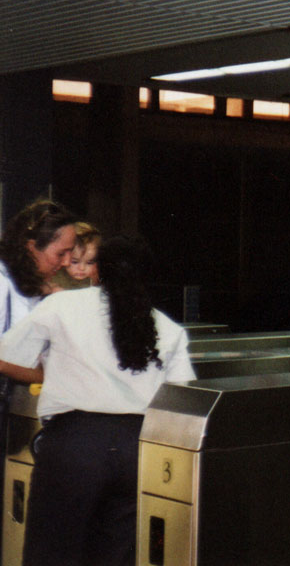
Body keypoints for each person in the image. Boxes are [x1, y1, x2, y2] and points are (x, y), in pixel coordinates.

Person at [0, 236, 196, 566]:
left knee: (51, 554)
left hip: (74, 447)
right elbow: (179, 396)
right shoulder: (169, 328)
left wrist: (50, 373)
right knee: (116, 556)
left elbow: (6, 354)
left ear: (96, 271)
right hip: (138, 449)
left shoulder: (63, 306)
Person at [0, 200, 78, 334]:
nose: (67, 262)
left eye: (71, 252)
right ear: (31, 247)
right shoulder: (2, 284)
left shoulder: (39, 286)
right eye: (61, 254)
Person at [49, 221, 101, 292]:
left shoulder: (95, 280)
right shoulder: (54, 278)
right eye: (75, 262)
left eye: (89, 262)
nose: (82, 268)